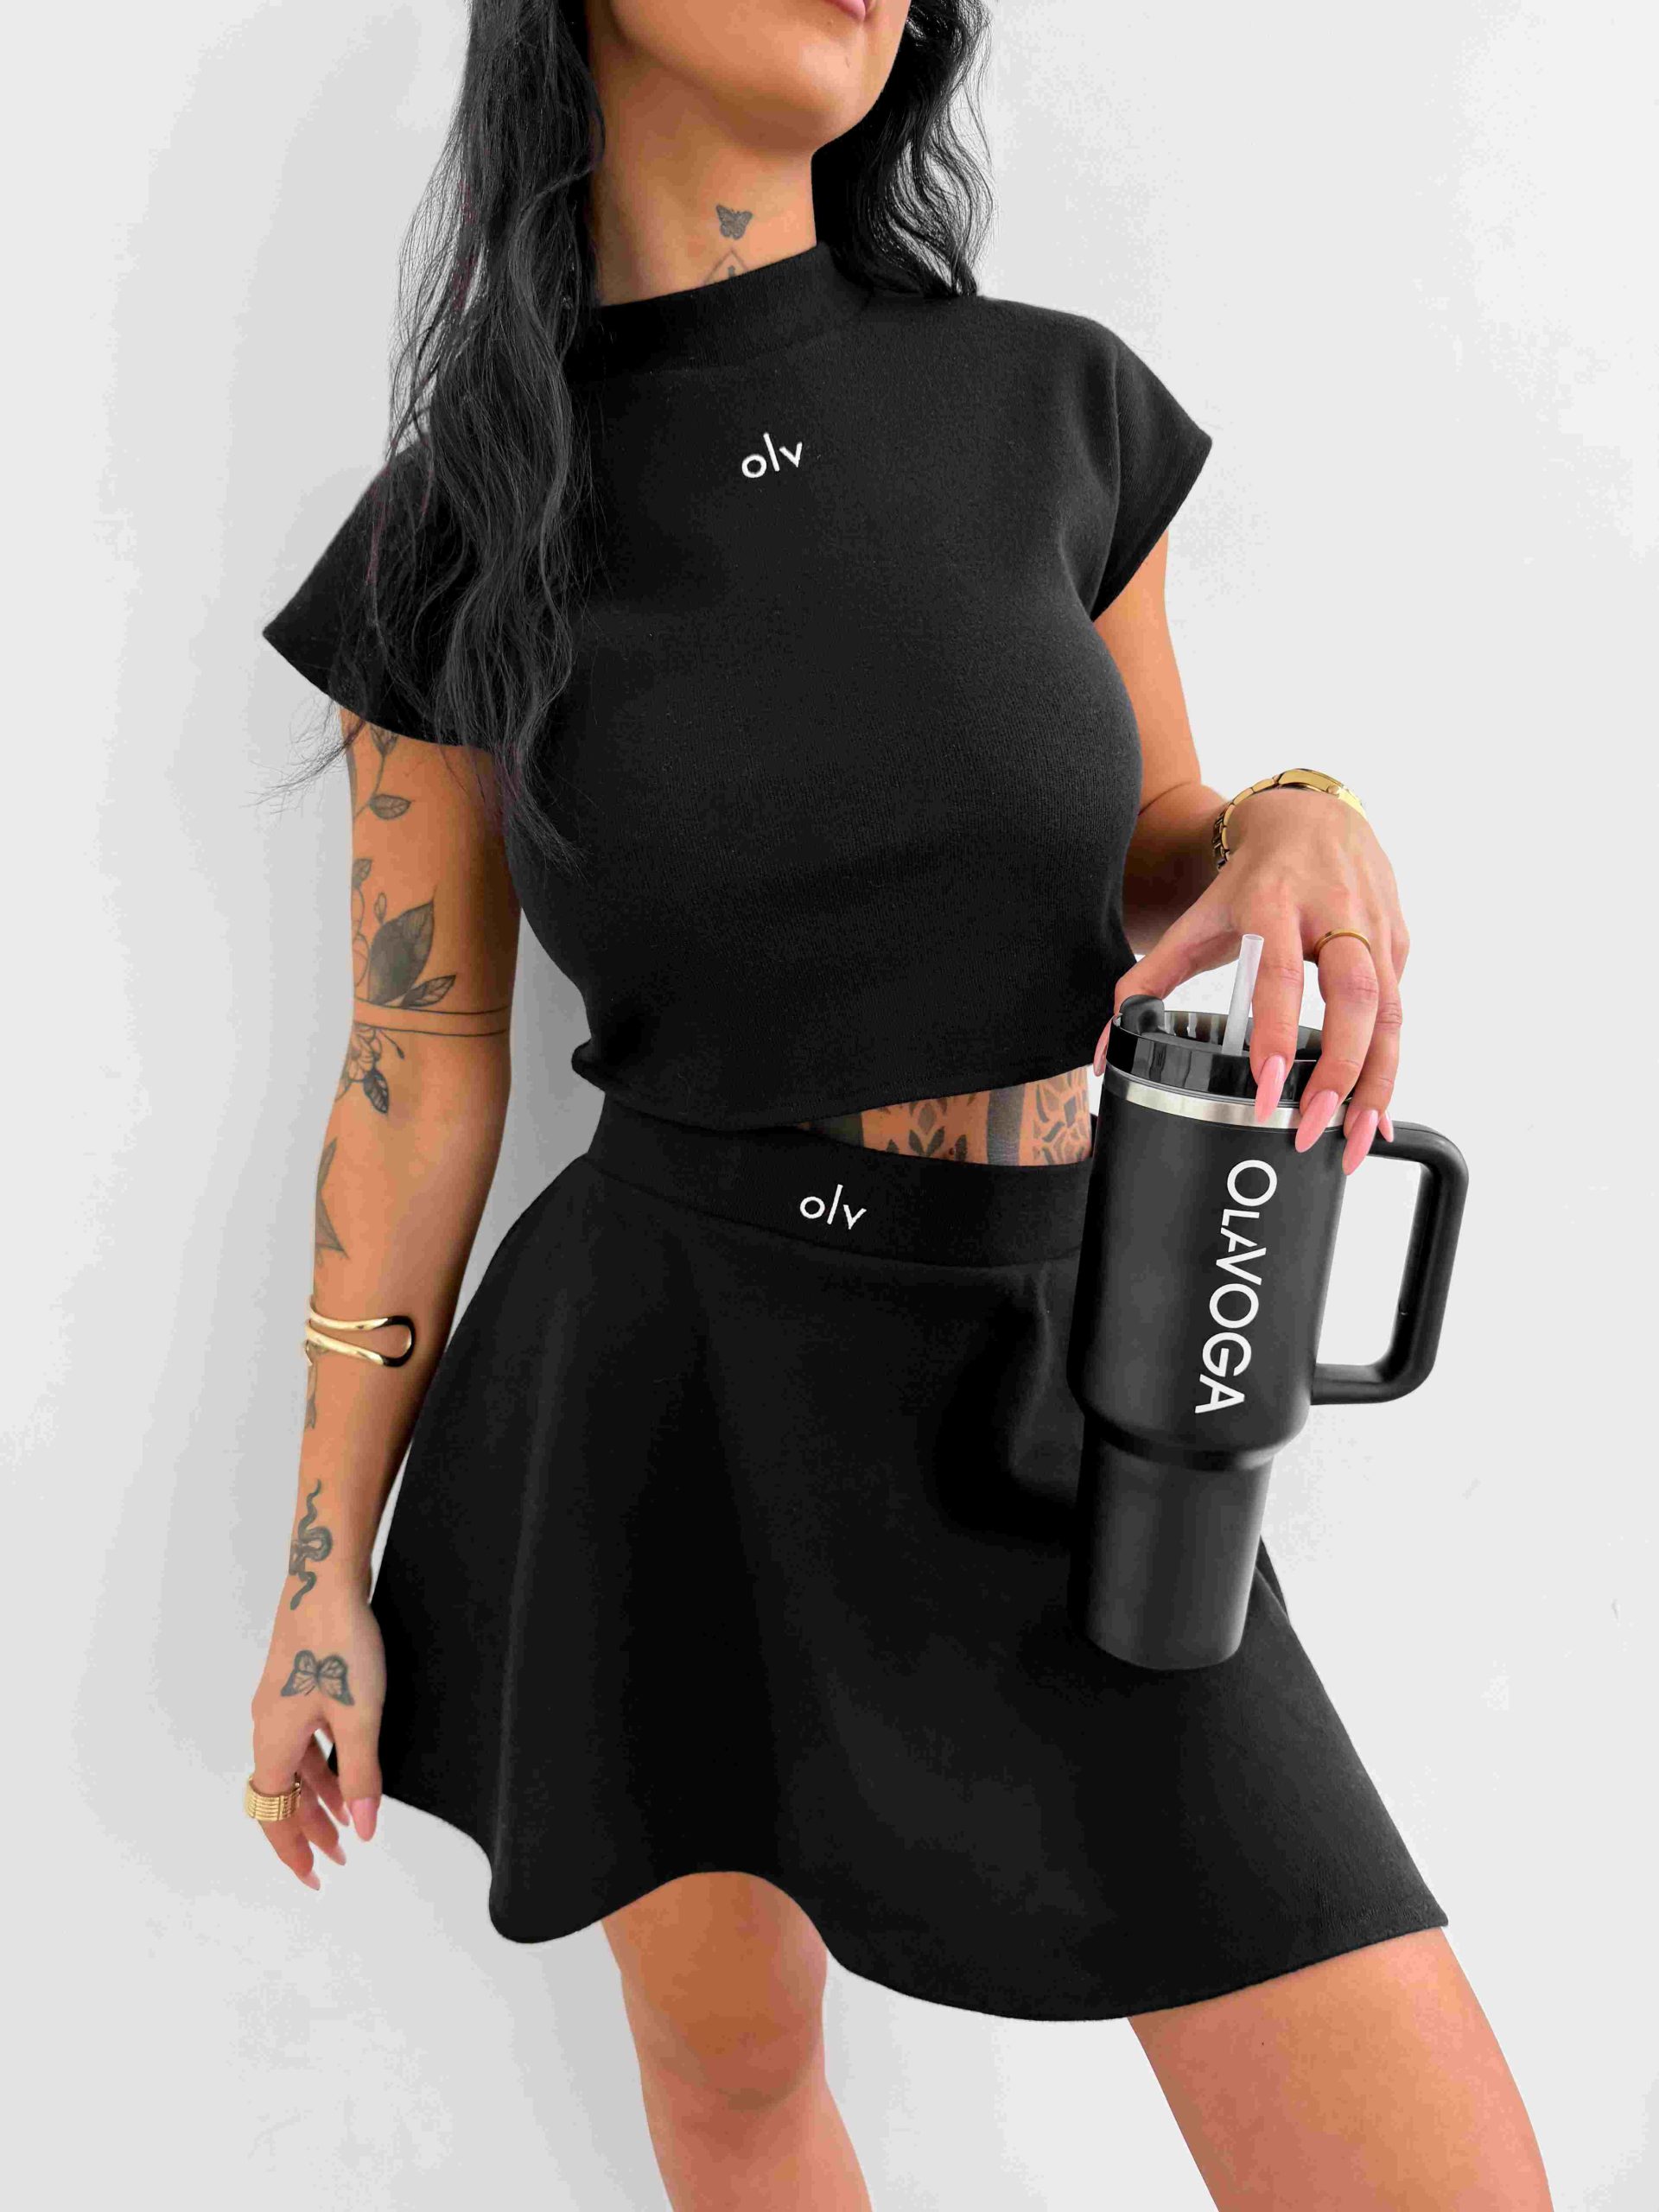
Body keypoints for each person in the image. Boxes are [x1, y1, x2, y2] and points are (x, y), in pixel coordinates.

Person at [248, 3, 1552, 2205]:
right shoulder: (467, 521)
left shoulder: (1047, 405)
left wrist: (1296, 814)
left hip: (1058, 1386)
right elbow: (419, 1055)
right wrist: (319, 1570)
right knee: (737, 2087)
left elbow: (1147, 840)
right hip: (668, 1397)